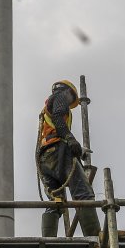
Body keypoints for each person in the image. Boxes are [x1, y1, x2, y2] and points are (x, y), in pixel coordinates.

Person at [37, 79, 100, 239]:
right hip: (59, 151)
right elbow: (58, 118)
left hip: (45, 157)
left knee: (55, 202)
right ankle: (94, 238)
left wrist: (78, 150)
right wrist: (70, 139)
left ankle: (48, 241)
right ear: (67, 92)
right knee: (83, 194)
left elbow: (53, 129)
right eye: (72, 98)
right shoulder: (59, 98)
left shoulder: (46, 108)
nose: (71, 101)